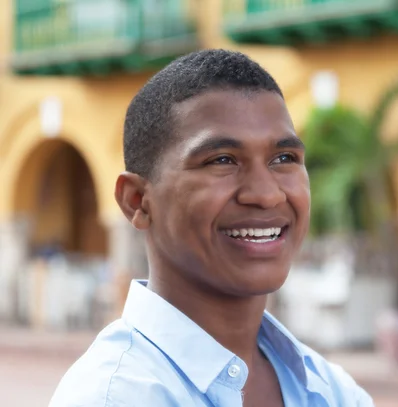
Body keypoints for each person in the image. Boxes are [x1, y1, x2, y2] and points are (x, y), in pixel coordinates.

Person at [49, 49, 373, 407]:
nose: (266, 195)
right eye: (222, 160)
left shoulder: (329, 391)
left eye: (284, 159)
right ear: (138, 201)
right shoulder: (117, 396)